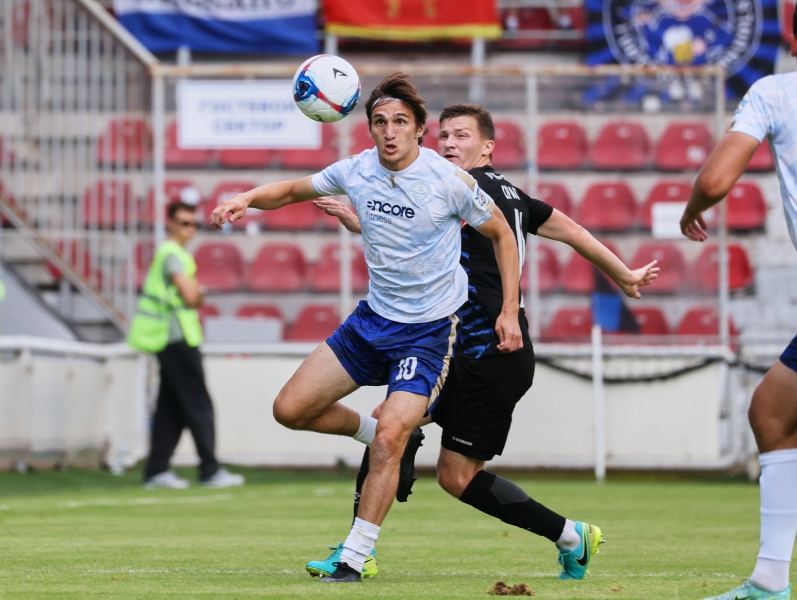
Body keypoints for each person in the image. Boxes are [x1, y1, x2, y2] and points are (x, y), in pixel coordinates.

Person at [306, 103, 660, 581]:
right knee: (394, 429)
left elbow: (417, 233)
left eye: (462, 136)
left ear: (488, 146)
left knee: (452, 473)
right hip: (465, 348)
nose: (449, 144)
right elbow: (574, 232)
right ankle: (355, 550)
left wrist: (363, 220)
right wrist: (624, 274)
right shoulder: (512, 195)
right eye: (444, 136)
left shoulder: (460, 190)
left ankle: (571, 536)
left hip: (490, 351)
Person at [210, 74, 524, 583]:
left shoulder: (450, 181)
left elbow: (503, 235)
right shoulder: (356, 170)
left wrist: (508, 310)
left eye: (400, 122)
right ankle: (379, 432)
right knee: (290, 410)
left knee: (389, 443)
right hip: (371, 323)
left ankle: (355, 556)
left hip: (428, 332)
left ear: (419, 129)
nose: (389, 131)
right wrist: (245, 197)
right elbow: (290, 190)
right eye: (380, 122)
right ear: (370, 129)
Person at [679, 2, 797, 598]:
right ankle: (769, 580)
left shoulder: (776, 91)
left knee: (771, 415)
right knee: (772, 413)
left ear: (794, 40)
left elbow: (716, 181)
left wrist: (693, 208)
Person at [128, 201, 245, 490]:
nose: (189, 229)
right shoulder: (172, 254)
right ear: (170, 223)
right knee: (198, 405)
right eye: (183, 223)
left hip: (169, 340)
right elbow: (191, 297)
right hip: (178, 341)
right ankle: (210, 470)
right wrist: (200, 292)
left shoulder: (170, 253)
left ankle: (156, 471)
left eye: (193, 224)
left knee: (170, 409)